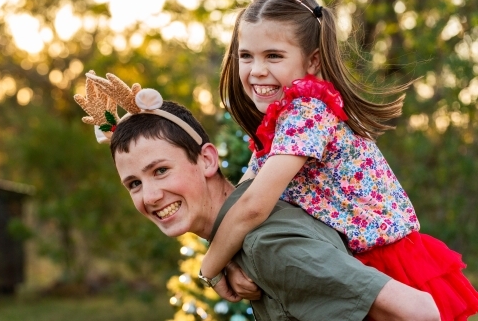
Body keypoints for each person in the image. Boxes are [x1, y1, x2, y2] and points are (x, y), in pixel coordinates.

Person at [199, 0, 478, 320]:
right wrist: (228, 260)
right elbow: (240, 198)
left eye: (273, 56)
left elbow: (252, 207)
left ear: (313, 60)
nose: (256, 70)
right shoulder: (284, 119)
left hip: (384, 263)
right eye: (246, 56)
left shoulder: (307, 112)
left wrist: (209, 269)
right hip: (347, 263)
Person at [73, 74, 439, 320]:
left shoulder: (267, 245)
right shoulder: (247, 235)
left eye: (160, 171)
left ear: (207, 159)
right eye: (134, 184)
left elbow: (421, 312)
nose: (150, 195)